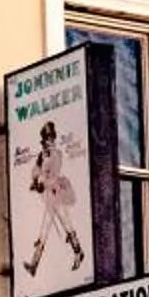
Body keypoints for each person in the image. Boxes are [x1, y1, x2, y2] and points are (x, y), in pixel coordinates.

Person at [19, 117, 88, 280]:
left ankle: (78, 252)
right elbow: (36, 171)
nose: (47, 142)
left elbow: (53, 175)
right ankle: (35, 264)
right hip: (49, 197)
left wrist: (42, 182)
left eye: (49, 139)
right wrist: (35, 180)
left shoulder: (57, 154)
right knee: (48, 228)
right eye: (45, 139)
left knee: (65, 225)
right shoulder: (42, 155)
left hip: (56, 194)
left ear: (53, 139)